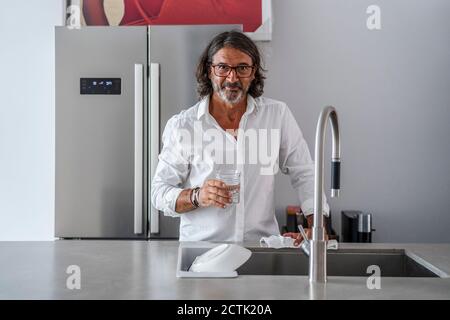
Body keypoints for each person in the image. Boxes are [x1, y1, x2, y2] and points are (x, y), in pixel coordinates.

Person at [151, 30, 330, 243]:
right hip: (202, 254)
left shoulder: (277, 115)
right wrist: (198, 196)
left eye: (242, 68)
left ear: (253, 72)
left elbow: (305, 173)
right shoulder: (183, 125)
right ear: (209, 71)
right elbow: (159, 193)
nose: (232, 77)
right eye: (223, 67)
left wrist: (317, 226)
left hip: (260, 249)